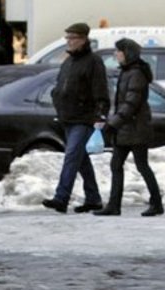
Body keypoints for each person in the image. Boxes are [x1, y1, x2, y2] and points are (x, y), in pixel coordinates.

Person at [42, 22, 109, 214]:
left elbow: (101, 90)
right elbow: (60, 86)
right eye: (67, 38)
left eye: (73, 38)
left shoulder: (93, 61)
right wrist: (57, 98)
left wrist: (101, 114)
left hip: (84, 117)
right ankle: (93, 199)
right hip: (67, 117)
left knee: (72, 156)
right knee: (81, 160)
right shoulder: (68, 62)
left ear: (83, 39)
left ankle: (61, 198)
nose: (69, 42)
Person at [94, 38, 164, 217]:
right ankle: (113, 205)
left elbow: (131, 103)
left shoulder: (136, 74)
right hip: (125, 128)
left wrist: (113, 123)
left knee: (141, 165)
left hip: (136, 128)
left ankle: (156, 203)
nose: (116, 54)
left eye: (118, 51)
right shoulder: (127, 72)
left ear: (127, 53)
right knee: (116, 164)